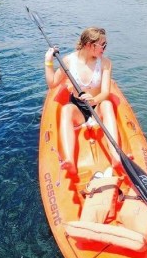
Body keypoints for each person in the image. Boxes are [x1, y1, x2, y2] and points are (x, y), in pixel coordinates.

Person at [44, 27, 118, 175]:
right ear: (89, 44)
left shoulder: (105, 63)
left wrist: (94, 99)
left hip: (96, 107)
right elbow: (52, 83)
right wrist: (48, 61)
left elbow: (105, 92)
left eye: (105, 45)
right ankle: (70, 160)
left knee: (107, 104)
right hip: (78, 107)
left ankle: (116, 156)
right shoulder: (68, 61)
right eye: (102, 45)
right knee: (66, 109)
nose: (104, 48)